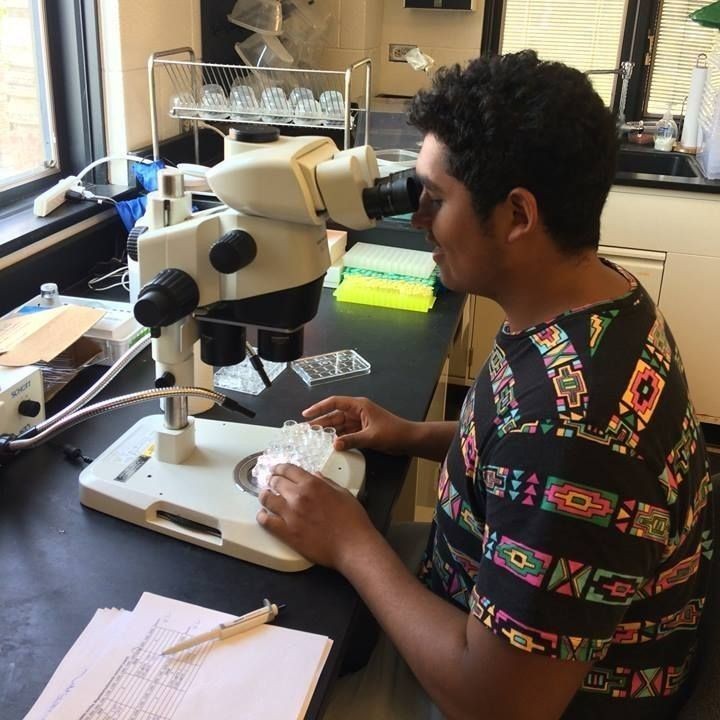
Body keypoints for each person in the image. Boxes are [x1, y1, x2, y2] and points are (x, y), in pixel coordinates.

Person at [257, 50, 713, 719]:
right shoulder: (589, 302)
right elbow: (521, 466)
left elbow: (499, 703)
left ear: (517, 216)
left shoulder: (573, 431)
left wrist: (353, 543)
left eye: (434, 201)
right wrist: (412, 434)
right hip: (483, 595)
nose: (417, 222)